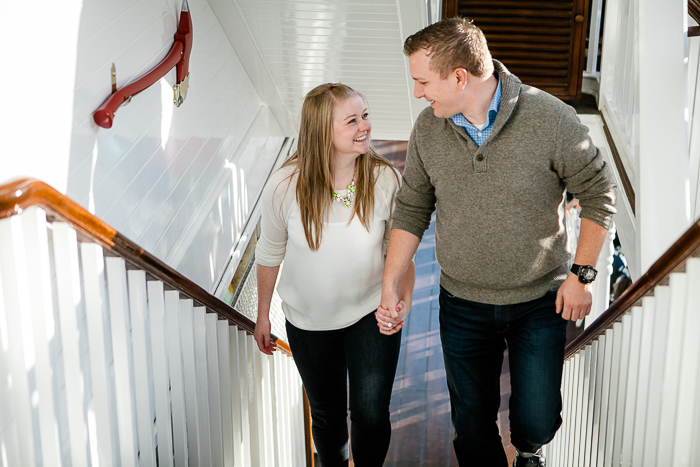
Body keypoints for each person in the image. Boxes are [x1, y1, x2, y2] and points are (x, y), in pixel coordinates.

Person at [375, 18, 617, 467]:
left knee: (537, 420)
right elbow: (410, 209)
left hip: (541, 301)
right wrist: (390, 284)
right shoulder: (429, 130)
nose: (418, 93)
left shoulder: (551, 118)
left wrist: (581, 276)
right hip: (462, 303)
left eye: (423, 82)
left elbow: (601, 194)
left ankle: (528, 451)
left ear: (460, 77)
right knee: (471, 425)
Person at [253, 83, 416, 467]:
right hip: (308, 324)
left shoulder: (385, 179)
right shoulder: (283, 185)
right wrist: (263, 314)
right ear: (322, 130)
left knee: (371, 415)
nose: (365, 126)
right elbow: (269, 252)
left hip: (370, 315)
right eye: (351, 120)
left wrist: (400, 300)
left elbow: (402, 254)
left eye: (365, 115)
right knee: (327, 419)